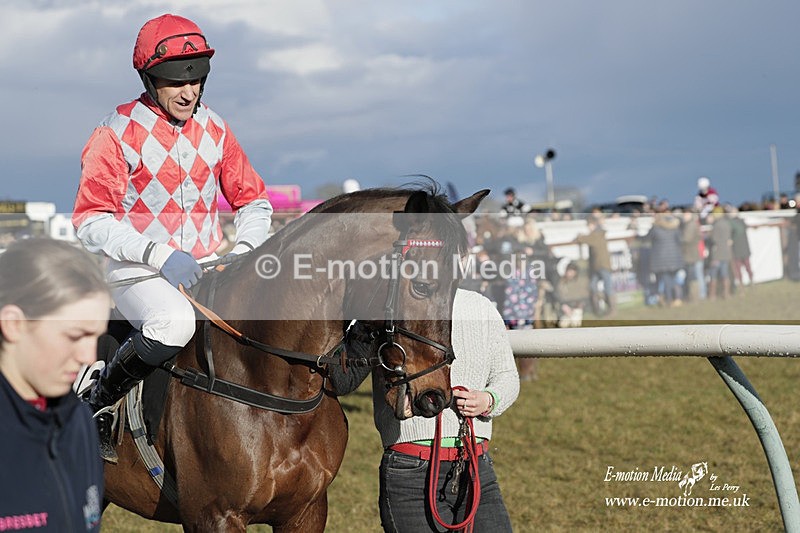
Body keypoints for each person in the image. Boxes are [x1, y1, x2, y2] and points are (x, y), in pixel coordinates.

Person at [72, 13, 273, 462]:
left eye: (197, 79)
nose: (188, 92)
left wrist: (242, 251)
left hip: (205, 267)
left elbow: (254, 202)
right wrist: (159, 255)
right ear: (148, 78)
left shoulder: (216, 128)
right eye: (173, 81)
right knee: (175, 323)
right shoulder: (115, 131)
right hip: (136, 272)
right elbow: (90, 220)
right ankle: (97, 399)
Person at [330, 288, 520, 532]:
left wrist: (489, 399)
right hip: (410, 470)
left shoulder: (480, 307)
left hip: (475, 467)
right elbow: (344, 380)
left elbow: (507, 375)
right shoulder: (386, 302)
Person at [0, 238, 110, 531]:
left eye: (95, 337)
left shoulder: (78, 419)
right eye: (74, 336)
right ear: (14, 324)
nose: (88, 356)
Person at [575, 214, 615, 315]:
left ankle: (612, 310)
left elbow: (584, 239)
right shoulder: (596, 234)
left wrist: (580, 236)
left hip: (603, 265)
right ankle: (597, 310)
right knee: (593, 286)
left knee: (608, 287)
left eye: (589, 224)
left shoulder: (598, 233)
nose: (588, 227)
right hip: (596, 266)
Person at [646, 207, 685, 307]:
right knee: (673, 280)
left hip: (661, 259)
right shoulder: (674, 228)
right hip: (674, 259)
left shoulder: (655, 229)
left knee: (666, 281)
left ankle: (668, 300)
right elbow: (680, 240)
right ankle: (678, 298)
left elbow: (646, 238)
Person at [706, 206, 733, 299]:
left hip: (717, 254)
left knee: (713, 275)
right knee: (725, 275)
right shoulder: (727, 223)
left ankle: (712, 295)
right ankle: (727, 293)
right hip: (726, 253)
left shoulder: (716, 225)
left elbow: (714, 240)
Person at [680, 209, 707, 301]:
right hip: (694, 254)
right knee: (697, 275)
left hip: (692, 255)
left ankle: (700, 295)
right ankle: (700, 294)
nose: (684, 216)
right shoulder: (693, 224)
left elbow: (686, 239)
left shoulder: (690, 225)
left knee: (697, 276)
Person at [728, 206, 753, 290]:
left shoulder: (739, 222)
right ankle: (742, 285)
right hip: (738, 249)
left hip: (741, 248)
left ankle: (751, 282)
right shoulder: (734, 222)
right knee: (739, 269)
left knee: (747, 267)